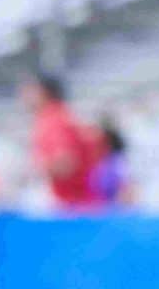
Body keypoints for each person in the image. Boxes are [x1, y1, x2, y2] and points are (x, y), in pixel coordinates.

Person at [22, 74, 109, 212]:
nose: (23, 95)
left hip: (74, 208)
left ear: (43, 92)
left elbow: (66, 163)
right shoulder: (64, 115)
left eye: (29, 90)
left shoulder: (53, 120)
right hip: (85, 204)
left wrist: (31, 171)